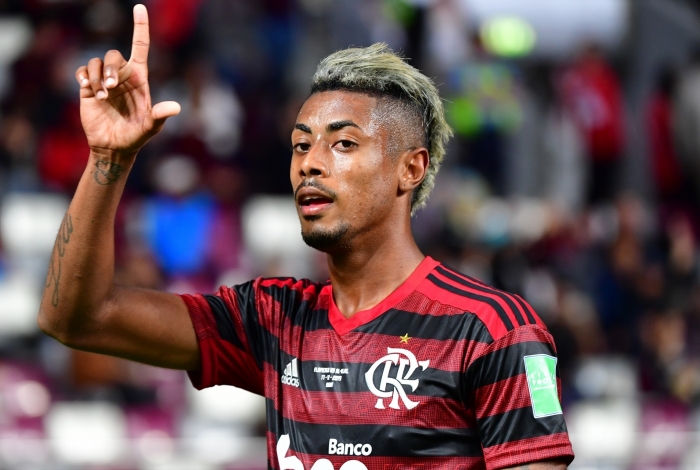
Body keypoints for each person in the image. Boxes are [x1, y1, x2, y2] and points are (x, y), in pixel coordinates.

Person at [38, 5, 574, 469]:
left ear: (410, 170)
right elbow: (77, 317)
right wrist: (110, 158)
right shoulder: (273, 319)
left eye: (342, 144)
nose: (310, 164)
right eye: (300, 146)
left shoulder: (493, 331)